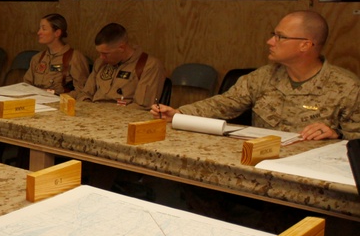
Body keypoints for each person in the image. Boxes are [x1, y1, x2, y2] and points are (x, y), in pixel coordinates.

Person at [151, 11, 360, 140]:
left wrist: (336, 135)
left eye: (280, 37)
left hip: (309, 173)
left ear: (305, 44)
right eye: (273, 34)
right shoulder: (264, 76)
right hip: (259, 161)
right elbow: (226, 103)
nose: (270, 42)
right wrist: (179, 113)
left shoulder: (347, 87)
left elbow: (356, 144)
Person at [77, 23, 165, 108]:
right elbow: (85, 94)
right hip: (94, 113)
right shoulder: (101, 63)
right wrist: (88, 108)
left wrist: (106, 114)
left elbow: (142, 107)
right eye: (99, 53)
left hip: (123, 116)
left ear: (121, 47)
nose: (101, 57)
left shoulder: (148, 65)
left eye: (105, 53)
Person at [21, 13, 90, 95]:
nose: (39, 32)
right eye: (39, 28)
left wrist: (57, 96)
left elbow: (82, 91)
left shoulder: (74, 57)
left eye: (44, 29)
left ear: (57, 33)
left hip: (61, 103)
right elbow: (26, 85)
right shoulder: (38, 58)